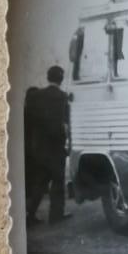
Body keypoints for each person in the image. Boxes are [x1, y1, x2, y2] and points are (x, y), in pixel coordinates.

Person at [25, 65, 72, 225]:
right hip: (56, 146)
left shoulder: (36, 96)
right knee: (58, 181)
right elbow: (66, 124)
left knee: (40, 181)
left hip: (39, 147)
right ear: (61, 79)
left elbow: (29, 120)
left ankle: (30, 214)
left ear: (48, 77)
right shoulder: (63, 97)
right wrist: (67, 143)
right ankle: (56, 215)